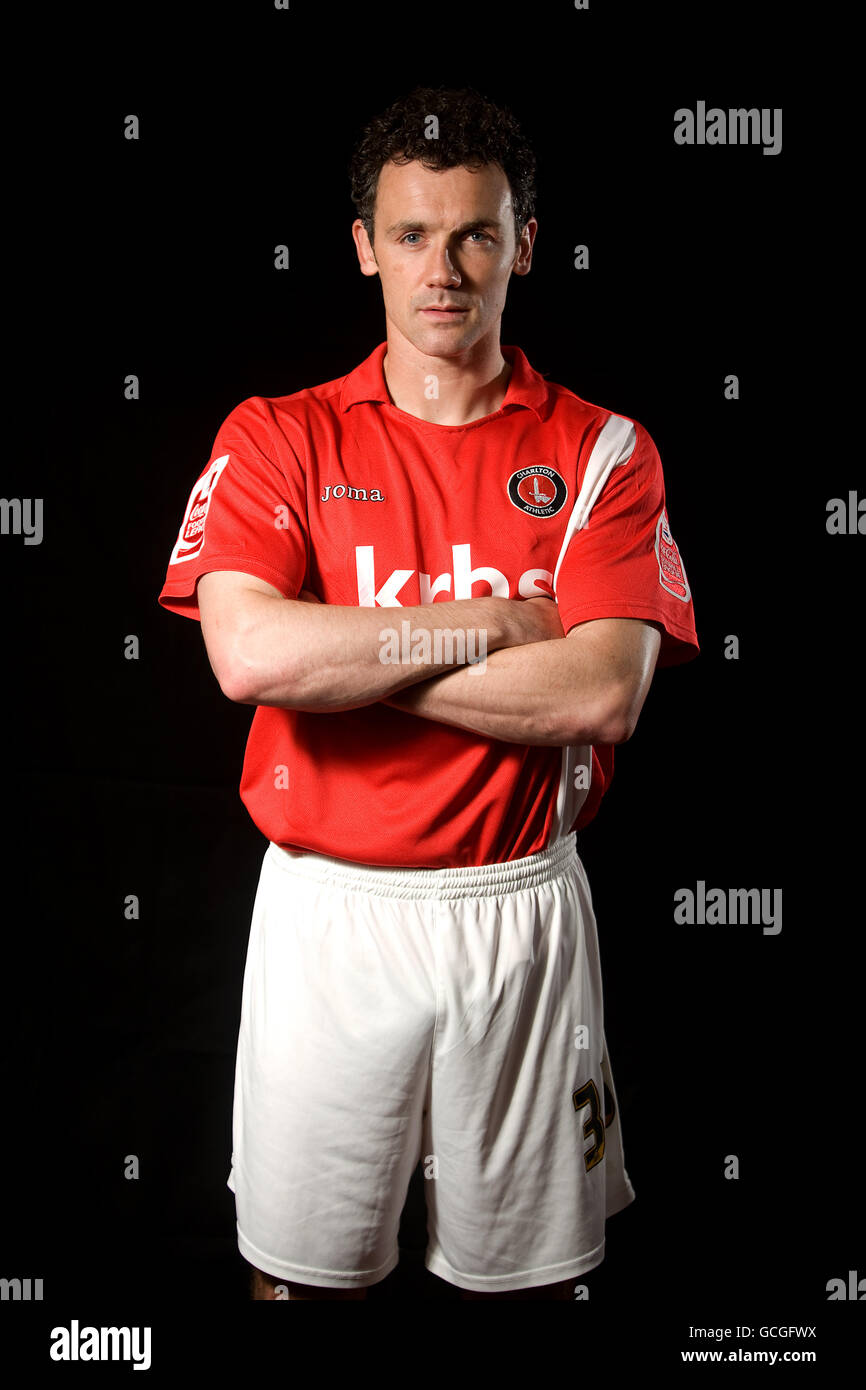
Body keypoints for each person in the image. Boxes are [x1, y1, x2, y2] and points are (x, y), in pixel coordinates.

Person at [158, 85, 699, 1301]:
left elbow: (602, 695)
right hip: (326, 920)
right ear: (362, 248)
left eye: (473, 234)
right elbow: (248, 659)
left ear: (523, 245)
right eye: (409, 234)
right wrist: (489, 628)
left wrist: (342, 660)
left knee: (533, 1280)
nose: (441, 268)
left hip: (522, 916)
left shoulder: (605, 449)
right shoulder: (277, 435)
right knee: (299, 1276)